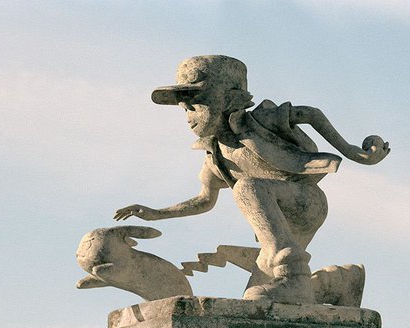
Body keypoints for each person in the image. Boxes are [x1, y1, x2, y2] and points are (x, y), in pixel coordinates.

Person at [115, 55, 388, 305]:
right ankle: (342, 282)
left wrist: (356, 152)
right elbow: (204, 200)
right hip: (277, 229)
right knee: (256, 300)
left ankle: (293, 275)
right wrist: (156, 213)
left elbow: (310, 114)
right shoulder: (215, 155)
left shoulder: (260, 120)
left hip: (305, 203)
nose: (189, 117)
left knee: (246, 188)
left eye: (197, 105)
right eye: (185, 109)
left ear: (229, 99)